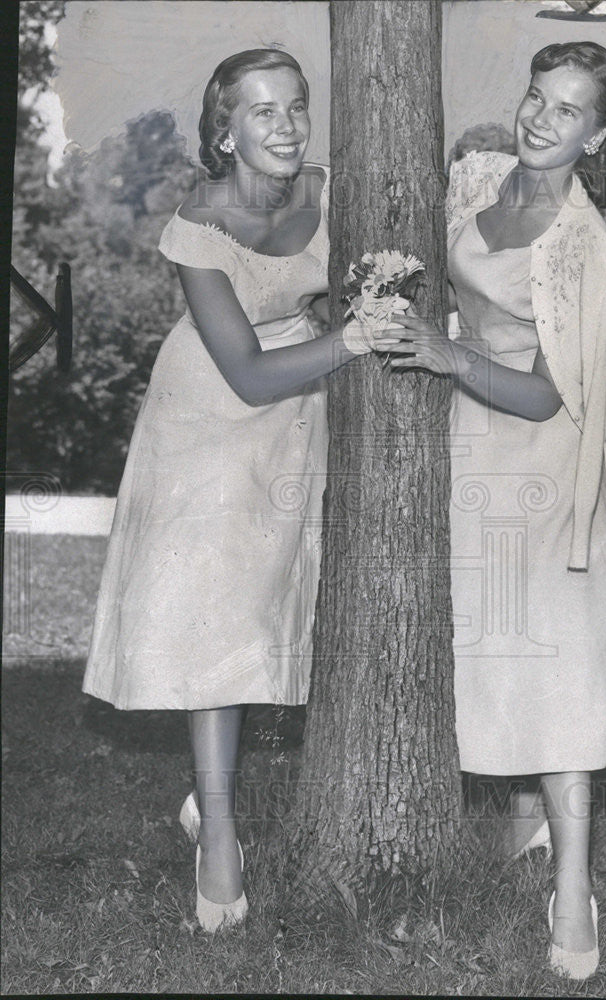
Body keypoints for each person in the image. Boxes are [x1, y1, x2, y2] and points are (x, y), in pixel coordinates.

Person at [82, 48, 379, 933]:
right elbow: (245, 372)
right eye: (261, 112)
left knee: (257, 619)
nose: (285, 127)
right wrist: (353, 340)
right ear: (225, 130)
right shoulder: (199, 225)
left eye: (295, 107)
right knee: (215, 629)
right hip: (209, 417)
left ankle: (206, 806)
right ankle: (218, 833)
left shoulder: (333, 189)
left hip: (296, 413)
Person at [375, 41, 606, 980]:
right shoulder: (483, 176)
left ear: (598, 133)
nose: (540, 120)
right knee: (484, 641)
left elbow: (547, 396)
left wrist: (446, 355)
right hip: (464, 442)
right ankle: (526, 824)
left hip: (538, 452)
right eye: (537, 97)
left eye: (567, 111)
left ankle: (572, 887)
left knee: (558, 660)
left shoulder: (582, 245)